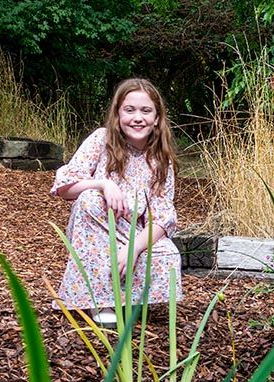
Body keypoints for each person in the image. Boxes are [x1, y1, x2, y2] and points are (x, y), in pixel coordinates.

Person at [50, 78, 181, 327]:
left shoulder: (160, 159)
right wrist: (102, 184)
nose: (137, 117)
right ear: (118, 114)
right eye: (129, 110)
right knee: (89, 200)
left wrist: (134, 247)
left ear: (156, 118)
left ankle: (131, 299)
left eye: (146, 111)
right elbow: (64, 188)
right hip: (97, 228)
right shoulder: (102, 140)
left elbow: (164, 216)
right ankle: (101, 301)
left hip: (135, 232)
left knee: (168, 253)